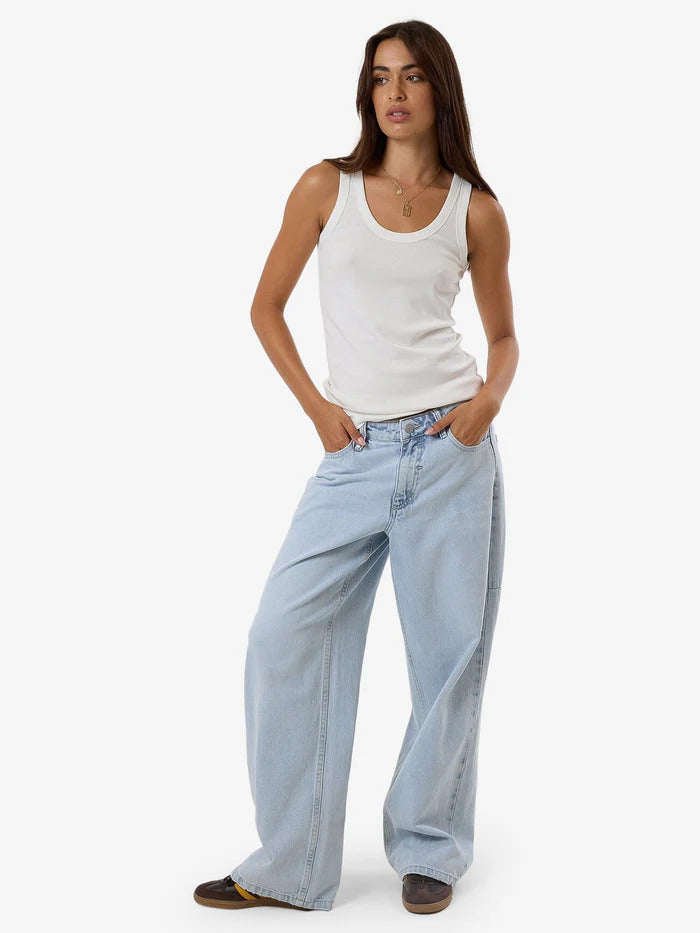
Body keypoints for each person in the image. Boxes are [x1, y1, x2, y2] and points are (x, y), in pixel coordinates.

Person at [194, 18, 518, 915]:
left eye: (411, 76)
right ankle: (291, 864)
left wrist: (485, 406)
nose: (395, 93)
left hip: (451, 453)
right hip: (355, 453)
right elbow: (265, 307)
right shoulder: (324, 188)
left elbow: (503, 337)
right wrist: (318, 411)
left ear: (439, 90)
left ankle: (430, 847)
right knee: (281, 634)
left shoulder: (475, 210)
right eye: (380, 77)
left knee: (447, 659)